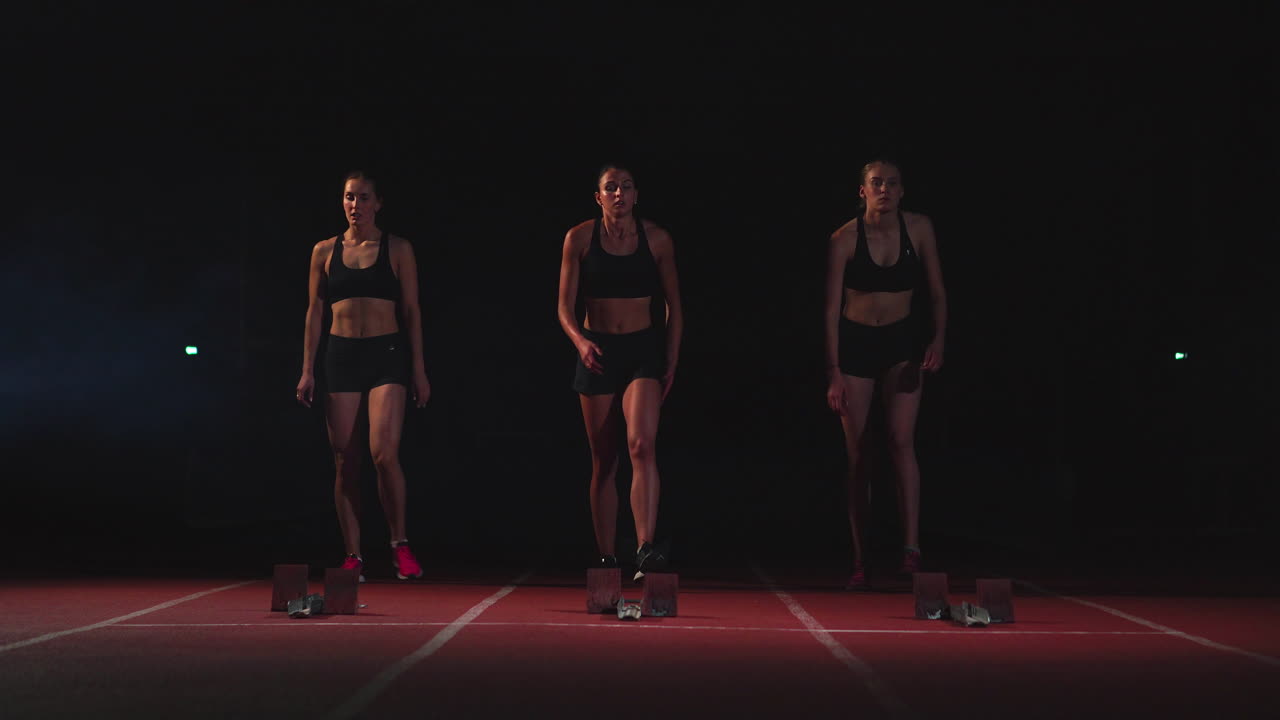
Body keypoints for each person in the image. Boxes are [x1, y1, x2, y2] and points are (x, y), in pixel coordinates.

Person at [296, 170, 431, 582]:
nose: (356, 205)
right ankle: (353, 555)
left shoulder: (397, 248)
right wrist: (307, 370)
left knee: (383, 454)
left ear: (378, 202)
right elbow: (315, 312)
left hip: (386, 355)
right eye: (349, 197)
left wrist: (419, 369)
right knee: (344, 460)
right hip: (340, 356)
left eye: (364, 197)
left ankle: (399, 544)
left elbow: (412, 310)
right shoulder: (324, 251)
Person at [824, 158, 947, 589]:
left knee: (900, 441)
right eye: (876, 183)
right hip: (856, 344)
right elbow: (830, 310)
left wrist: (938, 339)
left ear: (902, 190)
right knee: (859, 454)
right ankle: (861, 557)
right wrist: (833, 371)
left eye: (892, 183)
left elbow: (937, 292)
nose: (885, 190)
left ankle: (911, 548)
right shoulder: (844, 238)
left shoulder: (920, 229)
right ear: (862, 191)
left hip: (901, 343)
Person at [557, 164, 683, 581]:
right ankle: (608, 556)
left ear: (635, 195)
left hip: (643, 351)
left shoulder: (657, 239)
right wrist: (580, 341)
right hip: (597, 351)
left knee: (641, 444)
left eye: (626, 187)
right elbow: (563, 307)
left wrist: (671, 357)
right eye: (610, 188)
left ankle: (646, 549)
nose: (619, 194)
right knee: (604, 460)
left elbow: (675, 307)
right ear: (599, 197)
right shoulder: (579, 238)